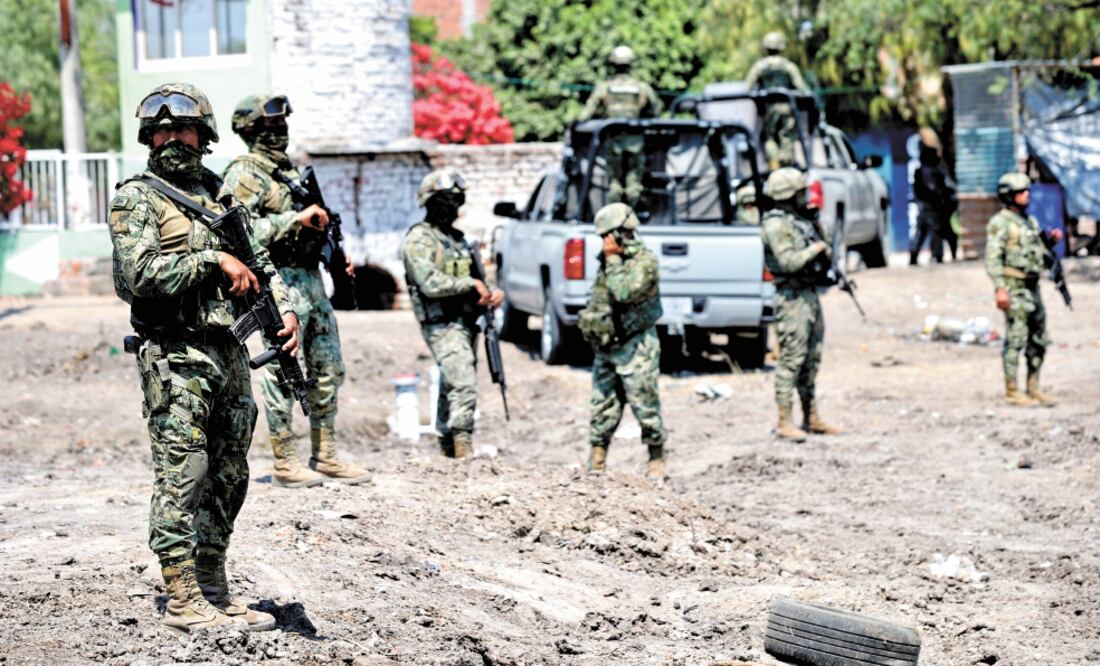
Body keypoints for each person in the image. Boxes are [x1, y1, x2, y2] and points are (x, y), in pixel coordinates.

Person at [108, 83, 300, 633]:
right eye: (162, 130)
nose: (173, 138)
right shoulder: (136, 198)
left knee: (229, 473)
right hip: (176, 353)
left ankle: (214, 586)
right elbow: (138, 275)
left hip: (229, 351)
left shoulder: (219, 193)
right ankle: (182, 597)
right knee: (184, 473)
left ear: (204, 135)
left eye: (184, 129)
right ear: (148, 136)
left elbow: (260, 264)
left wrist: (285, 309)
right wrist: (212, 260)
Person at [222, 94, 369, 487]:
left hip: (312, 282)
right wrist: (294, 219)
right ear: (250, 131)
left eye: (283, 125)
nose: (280, 132)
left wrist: (332, 254)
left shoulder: (289, 172)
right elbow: (238, 232)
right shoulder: (245, 173)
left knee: (328, 367)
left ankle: (326, 454)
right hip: (278, 283)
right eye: (271, 127)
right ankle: (285, 460)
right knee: (283, 372)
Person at [401, 169, 503, 459]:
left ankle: (447, 448)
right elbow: (429, 282)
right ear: (431, 203)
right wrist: (470, 285)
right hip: (441, 323)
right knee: (463, 382)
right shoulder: (420, 239)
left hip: (466, 321)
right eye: (446, 200)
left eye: (456, 200)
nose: (452, 207)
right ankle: (462, 447)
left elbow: (477, 276)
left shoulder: (458, 240)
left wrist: (489, 292)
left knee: (452, 381)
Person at [577, 203, 667, 479]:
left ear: (620, 232)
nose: (604, 242)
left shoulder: (644, 262)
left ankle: (656, 457)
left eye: (607, 235)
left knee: (644, 404)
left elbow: (623, 292)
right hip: (608, 345)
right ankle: (597, 460)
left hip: (636, 344)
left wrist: (613, 260)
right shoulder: (608, 261)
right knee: (602, 405)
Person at [759, 167, 842, 442]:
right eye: (799, 192)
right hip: (791, 298)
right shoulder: (775, 225)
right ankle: (784, 421)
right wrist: (815, 249)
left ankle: (811, 416)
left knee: (811, 358)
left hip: (808, 294)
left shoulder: (799, 220)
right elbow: (788, 262)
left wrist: (820, 233)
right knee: (791, 359)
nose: (803, 197)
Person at [985, 172, 1061, 407]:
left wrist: (1051, 241)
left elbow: (1036, 250)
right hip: (1014, 287)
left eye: (1027, 190)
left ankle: (1033, 387)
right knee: (1016, 339)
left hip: (1032, 286)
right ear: (1009, 195)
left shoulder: (1028, 221)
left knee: (1039, 339)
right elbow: (993, 258)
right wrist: (1000, 288)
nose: (1027, 194)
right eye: (1021, 192)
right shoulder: (1000, 223)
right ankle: (1012, 391)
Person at [581, 45, 662, 208]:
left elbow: (587, 113)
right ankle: (629, 217)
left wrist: (576, 124)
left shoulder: (604, 87)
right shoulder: (642, 87)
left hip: (613, 142)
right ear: (631, 64)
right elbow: (656, 109)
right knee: (634, 185)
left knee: (614, 184)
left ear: (613, 64)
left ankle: (615, 217)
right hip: (636, 142)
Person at [745, 32, 809, 169]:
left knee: (769, 138)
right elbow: (802, 89)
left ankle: (775, 166)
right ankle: (786, 166)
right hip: (787, 108)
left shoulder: (760, 66)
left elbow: (747, 88)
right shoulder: (788, 66)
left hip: (768, 109)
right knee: (787, 137)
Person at [909, 143, 958, 264]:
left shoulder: (923, 171)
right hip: (932, 207)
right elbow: (934, 190)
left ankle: (915, 256)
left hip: (928, 207)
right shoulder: (930, 171)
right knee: (935, 231)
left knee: (923, 232)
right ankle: (936, 255)